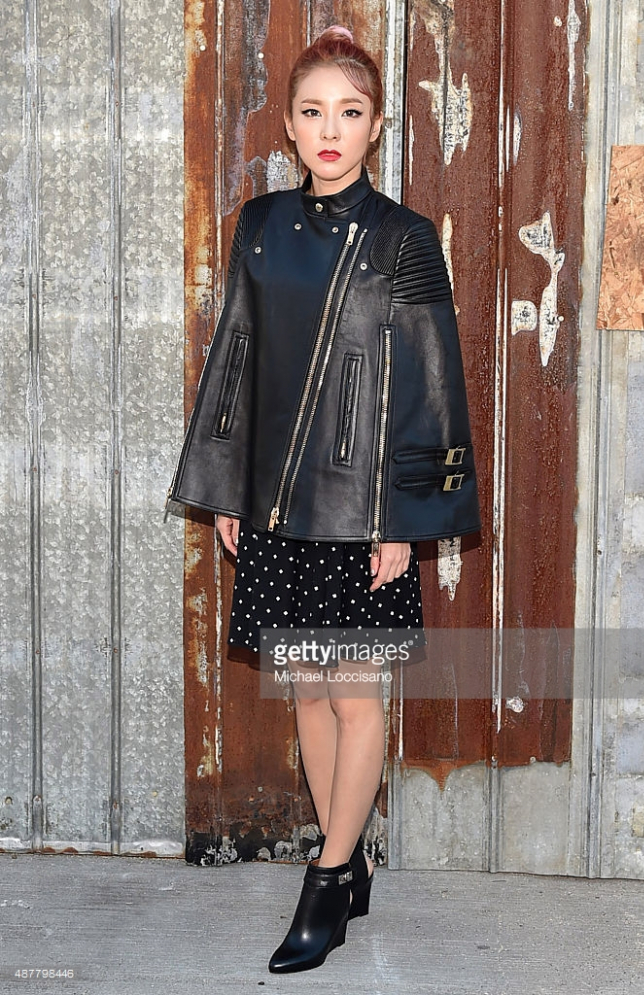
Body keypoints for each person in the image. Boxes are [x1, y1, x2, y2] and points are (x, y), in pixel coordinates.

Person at [166, 25, 480, 974]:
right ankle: (350, 860)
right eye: (313, 112)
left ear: (376, 126)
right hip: (277, 506)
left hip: (364, 511)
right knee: (307, 685)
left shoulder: (404, 238)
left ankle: (329, 877)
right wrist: (228, 488)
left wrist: (404, 522)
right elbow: (236, 357)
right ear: (291, 127)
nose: (330, 130)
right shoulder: (258, 225)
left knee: (355, 693)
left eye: (350, 112)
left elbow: (431, 386)